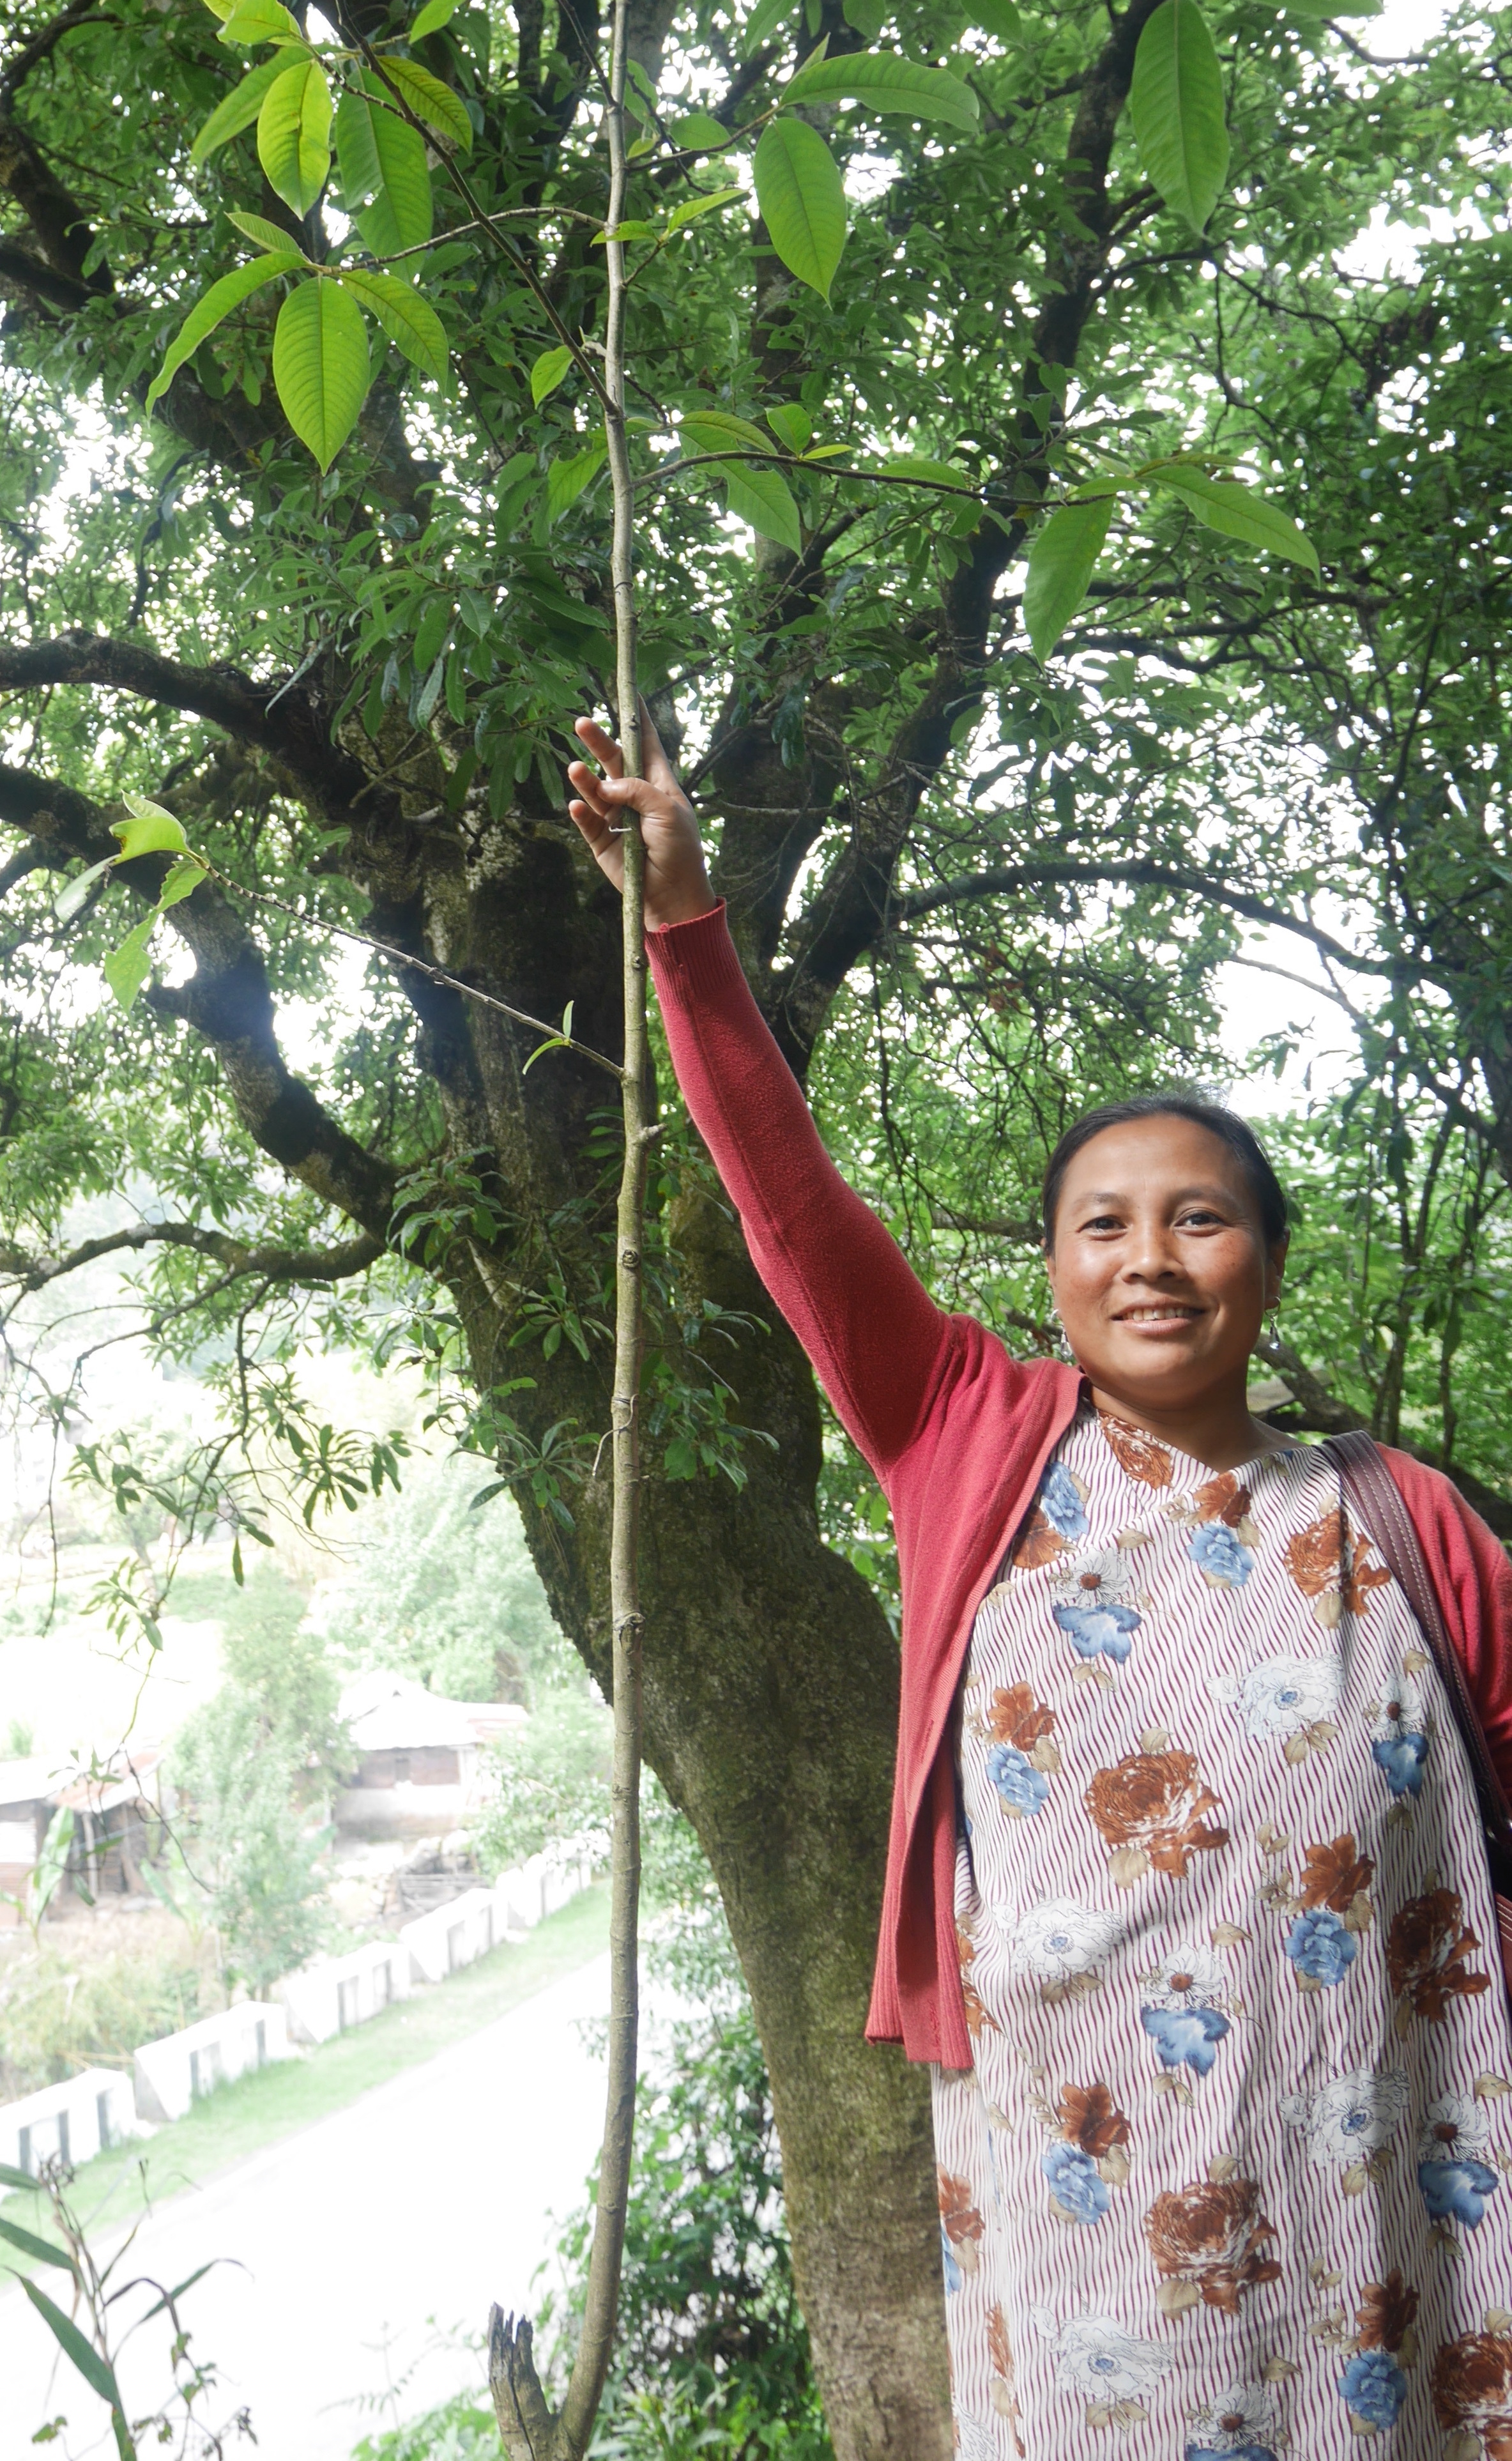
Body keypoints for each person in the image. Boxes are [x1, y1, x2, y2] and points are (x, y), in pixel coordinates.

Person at [567, 709, 1512, 2461]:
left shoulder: (1412, 1525)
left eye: (1200, 1218)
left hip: (1368, 2177)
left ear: (1267, 1262)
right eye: (1105, 1224)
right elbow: (791, 1208)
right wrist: (684, 929)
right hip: (1074, 2194)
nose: (1153, 1257)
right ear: (1060, 1268)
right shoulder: (968, 1436)